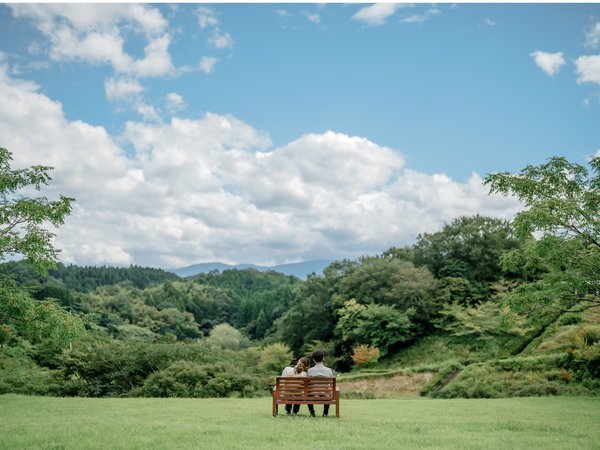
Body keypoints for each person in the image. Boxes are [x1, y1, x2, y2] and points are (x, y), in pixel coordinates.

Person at [307, 349, 335, 417]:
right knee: (327, 393)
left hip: (313, 394)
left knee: (308, 393)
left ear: (313, 359)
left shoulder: (310, 371)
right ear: (323, 358)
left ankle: (312, 412)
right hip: (325, 394)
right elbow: (331, 384)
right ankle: (325, 413)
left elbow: (308, 384)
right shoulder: (329, 370)